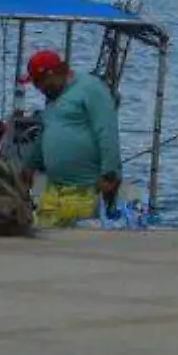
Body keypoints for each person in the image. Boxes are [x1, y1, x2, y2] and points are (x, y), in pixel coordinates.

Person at [19, 49, 123, 227]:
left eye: (40, 82)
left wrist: (109, 173)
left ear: (54, 73)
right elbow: (46, 132)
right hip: (54, 190)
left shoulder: (91, 89)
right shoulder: (53, 97)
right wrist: (29, 166)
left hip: (86, 190)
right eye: (35, 84)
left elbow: (107, 130)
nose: (39, 89)